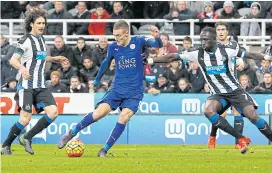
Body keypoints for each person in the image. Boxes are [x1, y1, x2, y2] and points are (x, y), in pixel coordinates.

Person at [149, 26, 272, 154]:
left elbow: (250, 54)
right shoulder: (197, 53)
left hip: (235, 91)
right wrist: (151, 60)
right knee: (208, 110)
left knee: (252, 116)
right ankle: (240, 138)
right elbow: (171, 57)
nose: (202, 42)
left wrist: (267, 58)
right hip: (218, 94)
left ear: (214, 39)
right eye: (201, 39)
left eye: (206, 39)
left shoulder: (227, 50)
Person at [58, 20, 162, 157]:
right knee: (99, 113)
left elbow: (157, 45)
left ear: (126, 33)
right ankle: (72, 132)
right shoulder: (114, 47)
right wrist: (97, 79)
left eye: (119, 35)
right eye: (114, 35)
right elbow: (106, 63)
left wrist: (157, 37)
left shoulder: (139, 41)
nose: (116, 38)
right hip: (117, 87)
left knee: (124, 116)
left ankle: (104, 150)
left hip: (135, 90)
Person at [1, 9, 68, 155]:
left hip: (41, 85)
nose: (42, 25)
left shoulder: (42, 40)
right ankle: (6, 145)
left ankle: (27, 137)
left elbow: (40, 58)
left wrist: (55, 58)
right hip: (26, 86)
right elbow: (13, 60)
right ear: (31, 24)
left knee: (53, 112)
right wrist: (22, 69)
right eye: (39, 23)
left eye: (43, 23)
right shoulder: (25, 40)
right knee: (25, 119)